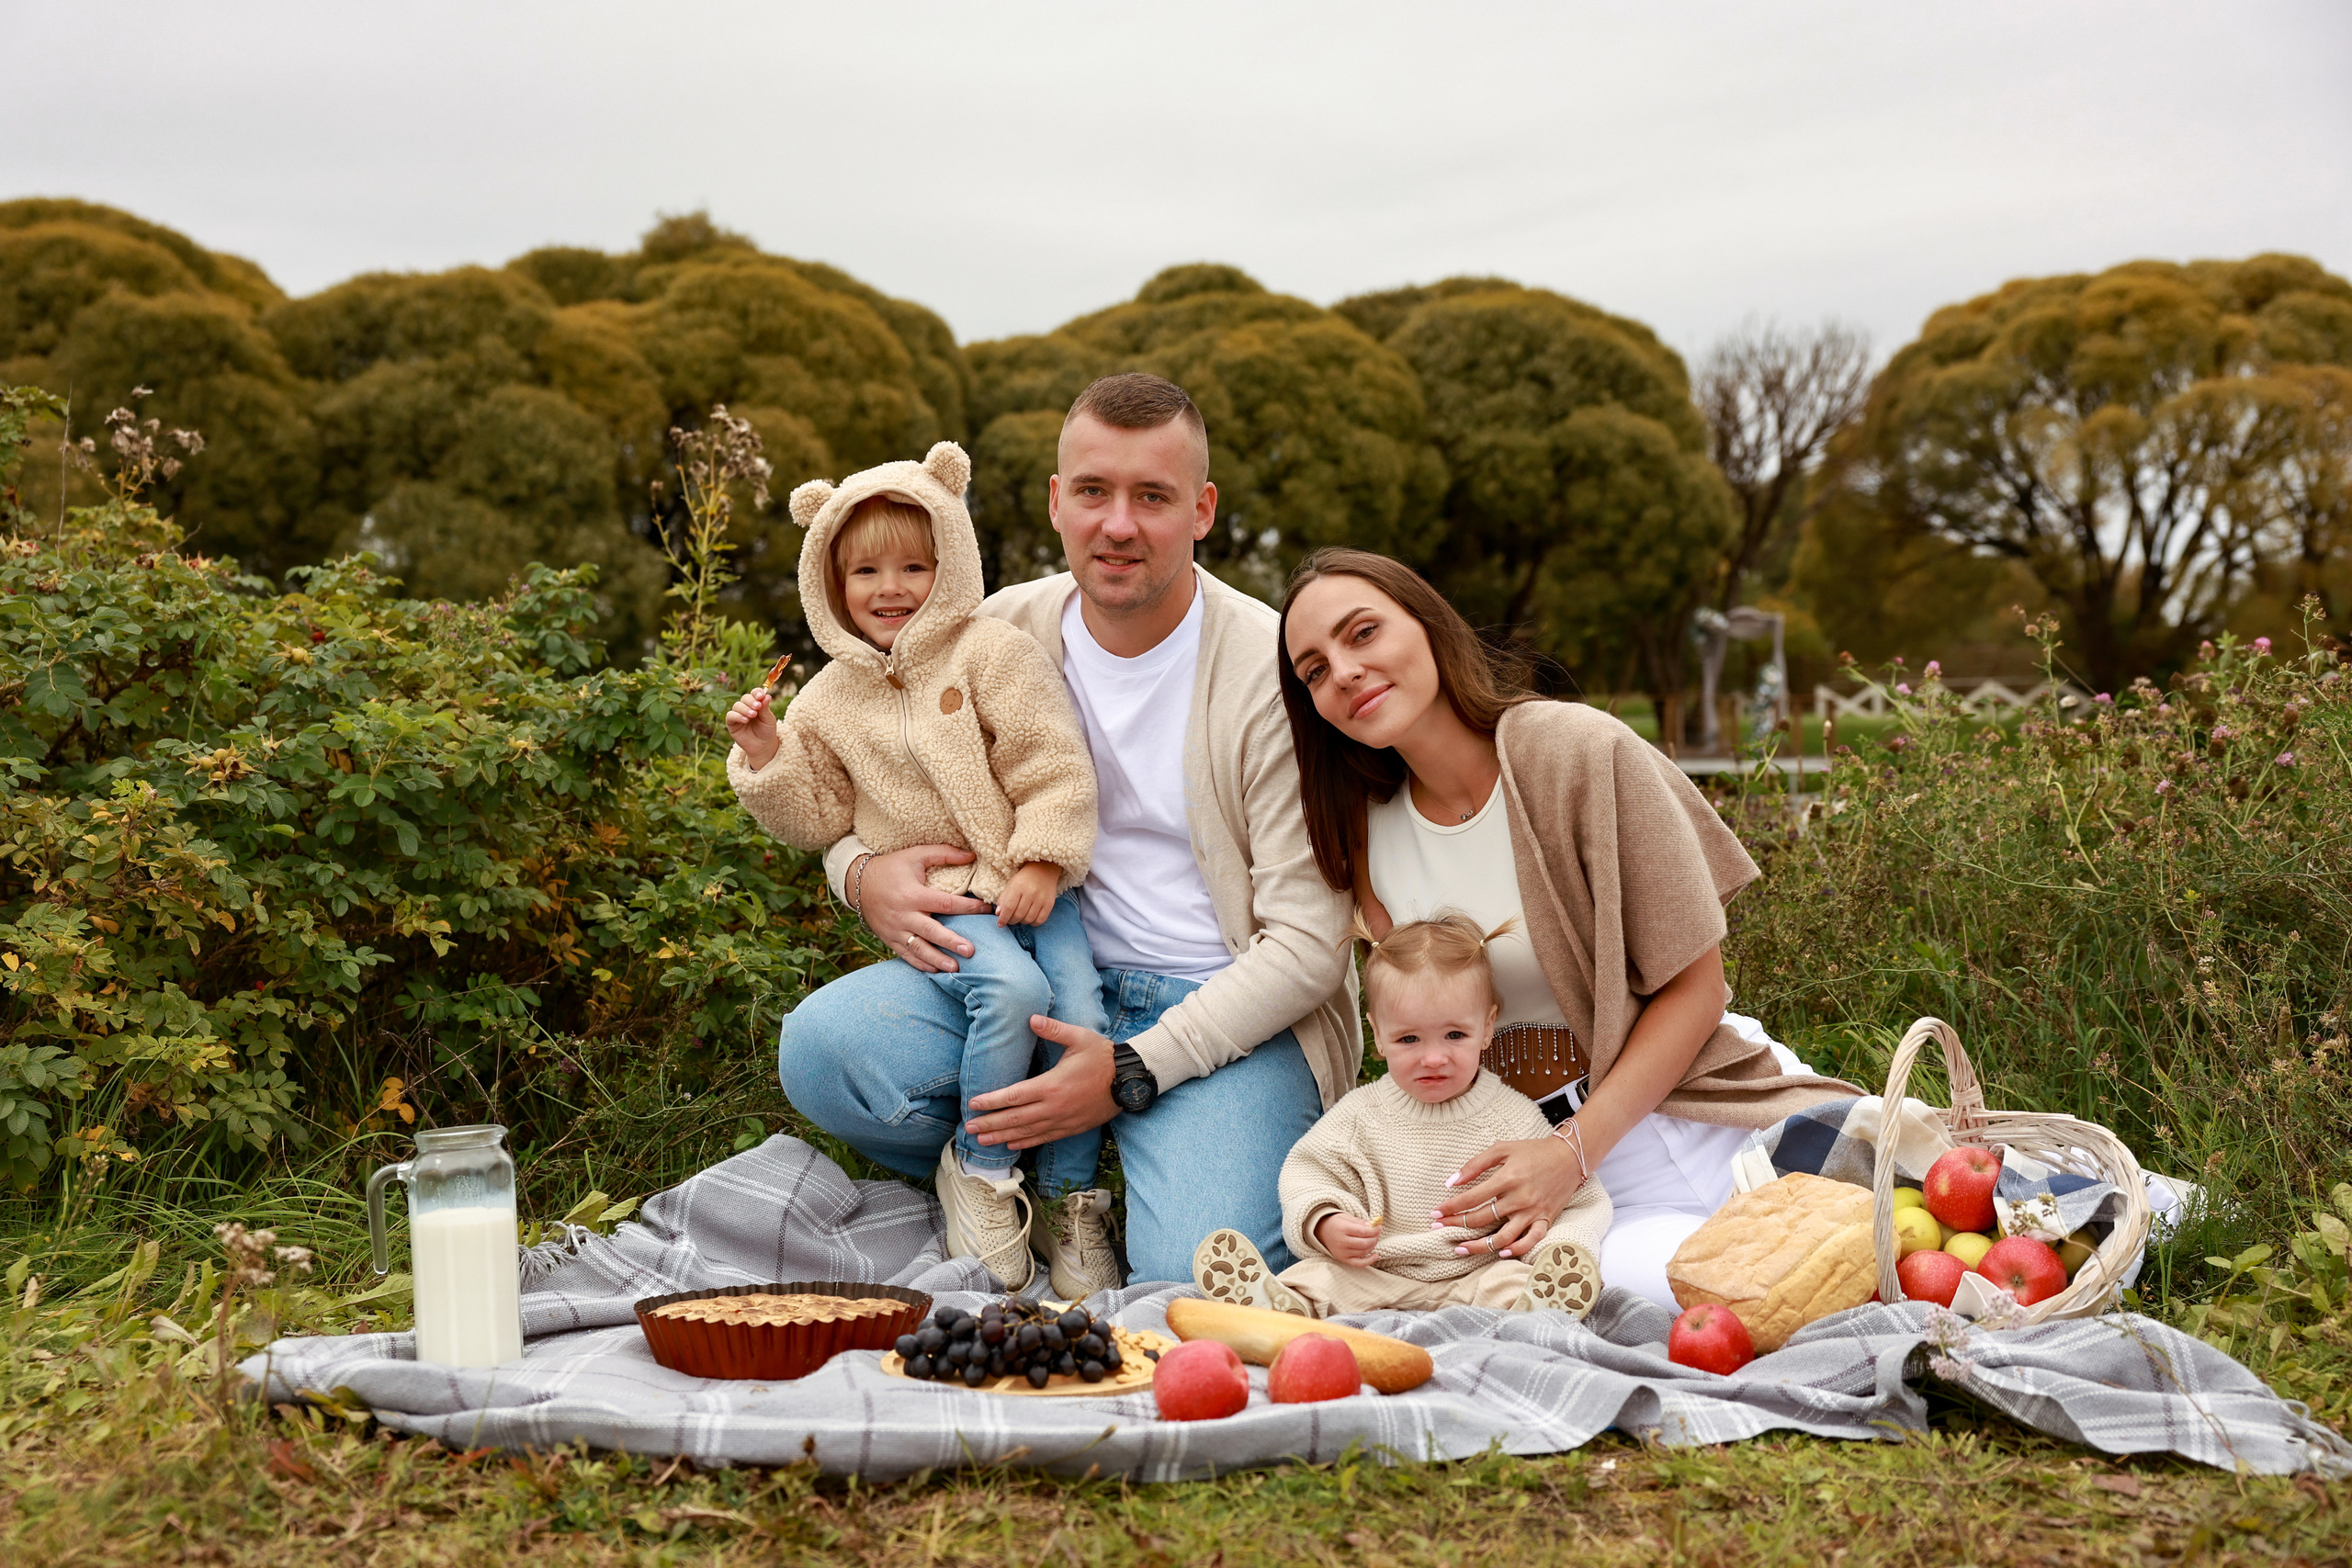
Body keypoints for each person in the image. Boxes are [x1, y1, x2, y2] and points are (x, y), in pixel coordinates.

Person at [775, 375, 1358, 1293]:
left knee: (1190, 1278)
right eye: (1092, 492)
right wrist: (858, 874)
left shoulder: (1271, 671)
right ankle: (995, 1173)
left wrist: (1131, 1071)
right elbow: (865, 777)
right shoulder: (990, 630)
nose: (1117, 524)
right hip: (1028, 972)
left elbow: (1308, 948)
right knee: (826, 1053)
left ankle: (1126, 1155)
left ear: (1202, 511)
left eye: (1152, 497)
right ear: (1057, 501)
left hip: (1214, 1015)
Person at [1277, 547, 1864, 1311]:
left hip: (1678, 1115)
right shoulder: (1367, 835)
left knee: (1879, 1250)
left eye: (1363, 633)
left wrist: (1571, 1150)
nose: (1345, 672)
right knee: (1611, 1295)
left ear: (1427, 626)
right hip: (1547, 1176)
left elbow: (1700, 988)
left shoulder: (1573, 752)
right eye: (1315, 669)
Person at [723, 441, 1102, 1292]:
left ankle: (1074, 1200)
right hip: (949, 905)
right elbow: (817, 815)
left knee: (1082, 1016)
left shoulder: (991, 653)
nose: (889, 588)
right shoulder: (826, 697)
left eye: (913, 565)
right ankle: (980, 1167)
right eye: (864, 572)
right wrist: (768, 751)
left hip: (1037, 885)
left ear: (951, 562)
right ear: (830, 583)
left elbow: (1052, 761)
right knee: (1015, 994)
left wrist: (1043, 858)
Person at [1192, 911, 1611, 1319]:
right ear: (1378, 1034)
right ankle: (1279, 1305)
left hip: (1478, 1271)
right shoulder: (1359, 1115)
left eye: (1455, 1035)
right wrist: (1326, 1223)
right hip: (1376, 1271)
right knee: (1318, 1278)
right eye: (1408, 1038)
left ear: (1486, 1028)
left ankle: (1546, 1301)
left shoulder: (1512, 1116)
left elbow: (1578, 1196)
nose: (1433, 1057)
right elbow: (1308, 1173)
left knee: (1514, 1283)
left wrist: (1557, 1249)